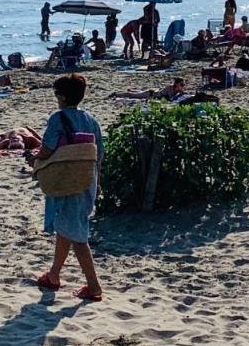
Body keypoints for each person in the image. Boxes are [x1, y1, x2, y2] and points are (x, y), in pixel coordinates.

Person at [31, 73, 104, 301]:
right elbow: (99, 153)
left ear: (61, 96)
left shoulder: (58, 118)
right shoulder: (91, 119)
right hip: (88, 178)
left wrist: (35, 160)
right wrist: (98, 181)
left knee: (78, 234)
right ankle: (54, 276)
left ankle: (94, 287)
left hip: (67, 179)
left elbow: (47, 148)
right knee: (67, 226)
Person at [110, 77, 187, 101]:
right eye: (182, 84)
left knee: (140, 92)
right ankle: (116, 94)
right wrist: (180, 93)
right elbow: (171, 98)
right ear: (177, 84)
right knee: (133, 95)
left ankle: (132, 89)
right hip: (151, 94)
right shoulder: (170, 88)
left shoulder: (177, 89)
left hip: (154, 92)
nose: (183, 86)